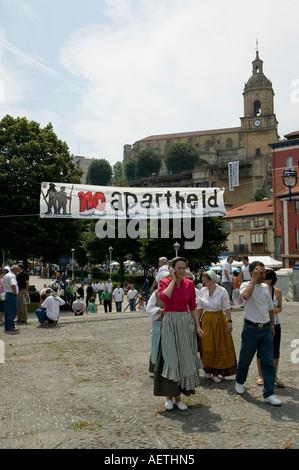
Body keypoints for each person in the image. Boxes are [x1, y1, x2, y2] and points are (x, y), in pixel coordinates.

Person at [154, 257, 203, 411]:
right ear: (172, 269)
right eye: (179, 268)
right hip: (169, 322)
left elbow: (193, 306)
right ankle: (168, 396)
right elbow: (163, 298)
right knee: (171, 358)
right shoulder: (164, 283)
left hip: (185, 322)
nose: (182, 271)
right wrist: (173, 280)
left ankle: (178, 397)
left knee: (184, 358)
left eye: (184, 268)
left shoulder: (189, 284)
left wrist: (197, 326)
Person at [235, 261, 281, 406]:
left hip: (266, 328)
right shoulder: (246, 285)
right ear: (251, 272)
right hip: (251, 329)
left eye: (263, 272)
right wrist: (253, 279)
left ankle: (269, 393)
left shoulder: (266, 288)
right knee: (245, 359)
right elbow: (246, 296)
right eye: (259, 272)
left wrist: (272, 325)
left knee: (268, 361)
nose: (263, 275)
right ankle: (240, 381)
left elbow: (270, 309)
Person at [198, 270, 237, 383]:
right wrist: (196, 324)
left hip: (219, 320)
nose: (203, 282)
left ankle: (216, 372)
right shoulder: (202, 291)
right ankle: (207, 369)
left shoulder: (222, 291)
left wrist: (229, 321)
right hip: (206, 320)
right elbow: (200, 307)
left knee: (219, 344)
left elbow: (227, 307)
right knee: (207, 345)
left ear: (211, 280)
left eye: (204, 280)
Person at [257, 269, 284, 387]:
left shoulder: (277, 292)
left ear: (271, 280)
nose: (262, 279)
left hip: (276, 323)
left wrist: (273, 310)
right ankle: (261, 375)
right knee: (260, 350)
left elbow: (280, 308)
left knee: (275, 350)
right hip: (262, 324)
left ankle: (274, 375)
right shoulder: (258, 291)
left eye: (265, 278)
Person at [146, 289, 165, 373]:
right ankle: (157, 369)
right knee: (157, 347)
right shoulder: (157, 293)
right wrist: (162, 310)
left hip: (171, 324)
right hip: (159, 323)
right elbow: (149, 308)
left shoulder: (176, 290)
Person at [3, 265, 21, 332]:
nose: (18, 271)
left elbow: (3, 284)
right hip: (12, 295)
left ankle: (7, 326)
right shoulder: (12, 276)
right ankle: (11, 326)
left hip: (7, 294)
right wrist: (15, 292)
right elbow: (13, 284)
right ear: (15, 270)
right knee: (12, 311)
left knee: (7, 311)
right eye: (17, 269)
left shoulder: (7, 275)